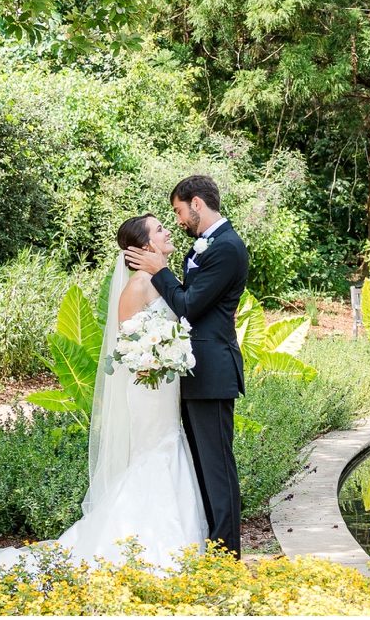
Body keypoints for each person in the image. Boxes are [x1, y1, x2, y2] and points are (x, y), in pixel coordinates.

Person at [0, 215, 207, 602]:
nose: (167, 232)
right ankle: (146, 547)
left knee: (168, 447)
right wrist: (157, 357)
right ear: (146, 246)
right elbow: (126, 344)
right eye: (160, 229)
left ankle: (172, 545)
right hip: (148, 389)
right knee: (154, 455)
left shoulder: (164, 280)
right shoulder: (137, 285)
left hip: (165, 389)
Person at [124, 174, 249, 558]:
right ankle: (213, 548)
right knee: (202, 470)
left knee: (217, 470)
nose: (177, 220)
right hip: (193, 374)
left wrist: (159, 269)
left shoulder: (226, 247)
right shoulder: (203, 245)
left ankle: (227, 557)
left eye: (178, 211)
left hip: (212, 373)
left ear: (197, 204)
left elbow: (189, 305)